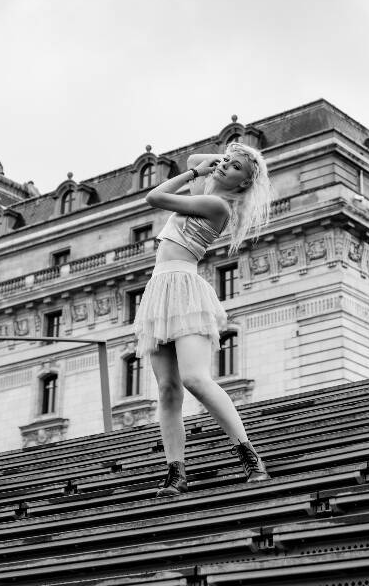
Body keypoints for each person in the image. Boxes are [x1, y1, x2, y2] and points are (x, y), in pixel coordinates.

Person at [133, 143, 272, 497]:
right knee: (167, 389)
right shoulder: (207, 191)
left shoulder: (216, 204)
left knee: (195, 377)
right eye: (226, 161)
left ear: (244, 183)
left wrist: (200, 172)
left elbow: (155, 197)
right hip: (158, 289)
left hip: (184, 286)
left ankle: (249, 456)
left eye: (236, 166)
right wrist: (216, 163)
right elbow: (197, 160)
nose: (225, 166)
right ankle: (175, 472)